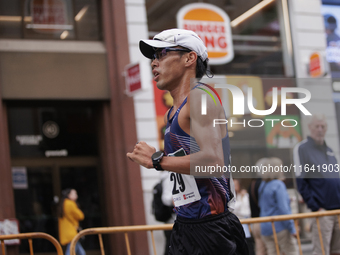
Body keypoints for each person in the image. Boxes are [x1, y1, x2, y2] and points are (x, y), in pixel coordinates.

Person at [127, 28, 248, 255]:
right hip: (186, 224)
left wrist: (157, 161)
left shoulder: (199, 97)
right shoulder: (172, 113)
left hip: (212, 228)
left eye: (161, 53)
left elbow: (213, 162)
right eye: (152, 57)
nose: (154, 63)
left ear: (189, 58)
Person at [293, 114, 340, 255]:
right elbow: (300, 180)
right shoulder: (302, 149)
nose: (320, 129)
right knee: (321, 251)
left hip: (337, 210)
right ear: (309, 128)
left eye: (323, 126)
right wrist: (315, 207)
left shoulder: (329, 149)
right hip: (322, 212)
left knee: (337, 251)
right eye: (317, 126)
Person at [258, 157, 298, 255]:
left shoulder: (263, 185)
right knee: (291, 251)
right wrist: (292, 228)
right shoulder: (278, 185)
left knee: (273, 252)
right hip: (280, 227)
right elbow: (283, 209)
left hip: (265, 227)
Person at [248, 159, 267, 255]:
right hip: (266, 221)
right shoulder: (265, 184)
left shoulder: (252, 184)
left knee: (260, 250)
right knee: (272, 249)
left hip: (255, 222)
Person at [58, 188, 85, 255]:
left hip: (67, 231)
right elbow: (81, 216)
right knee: (71, 252)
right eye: (74, 194)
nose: (76, 196)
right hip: (71, 232)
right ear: (68, 195)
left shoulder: (64, 203)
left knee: (81, 252)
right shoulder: (70, 204)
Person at [233, 179, 254, 255]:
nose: (235, 187)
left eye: (236, 185)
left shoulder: (245, 195)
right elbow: (232, 210)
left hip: (246, 224)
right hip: (236, 225)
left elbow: (247, 212)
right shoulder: (231, 197)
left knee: (248, 245)